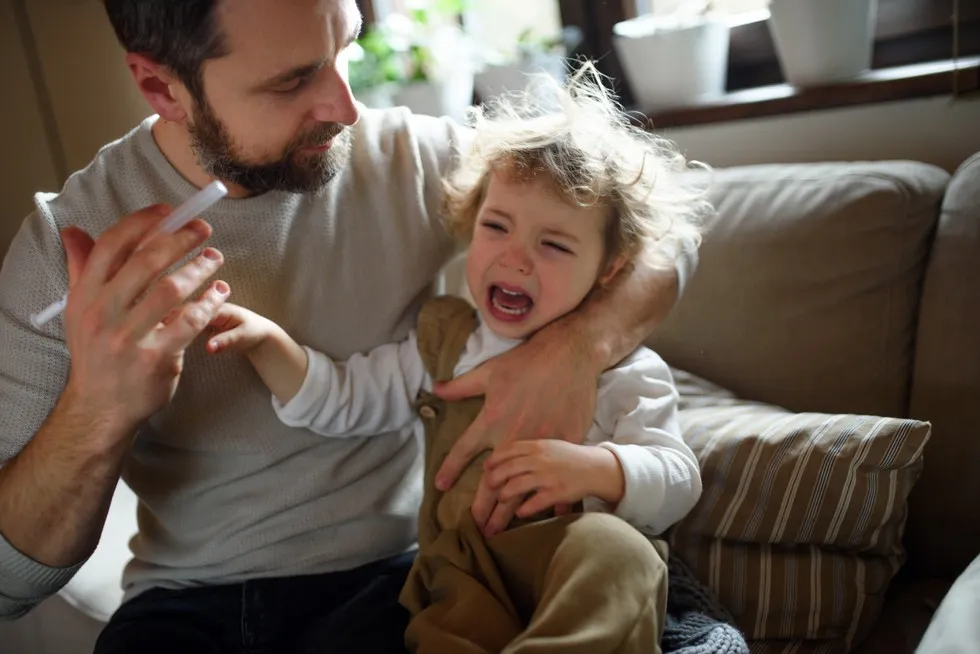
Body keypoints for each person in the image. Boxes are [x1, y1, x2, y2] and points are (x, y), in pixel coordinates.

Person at [0, 1, 698, 652]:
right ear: (162, 87)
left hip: (394, 582)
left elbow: (665, 245)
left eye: (346, 49)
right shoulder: (68, 249)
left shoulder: (414, 159)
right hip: (188, 604)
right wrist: (97, 407)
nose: (346, 108)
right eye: (293, 80)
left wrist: (573, 350)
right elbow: (9, 585)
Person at [204, 64, 707, 653]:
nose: (515, 259)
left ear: (610, 269)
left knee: (623, 556)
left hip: (573, 560)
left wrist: (600, 470)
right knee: (441, 614)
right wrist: (268, 343)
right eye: (497, 227)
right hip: (466, 571)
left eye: (553, 244)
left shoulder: (624, 369)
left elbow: (678, 478)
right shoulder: (445, 344)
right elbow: (345, 398)